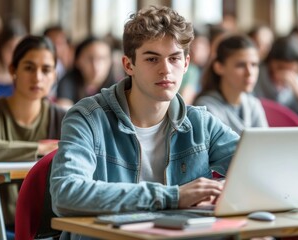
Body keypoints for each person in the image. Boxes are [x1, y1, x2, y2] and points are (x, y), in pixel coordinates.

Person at [50, 6, 239, 231]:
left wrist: (222, 189)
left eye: (174, 58)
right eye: (152, 59)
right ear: (129, 65)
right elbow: (66, 194)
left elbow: (260, 170)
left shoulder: (201, 123)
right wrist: (173, 197)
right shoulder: (87, 118)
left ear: (186, 64)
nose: (166, 70)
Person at [0, 35, 66, 226]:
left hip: (45, 228)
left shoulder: (62, 118)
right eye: (29, 68)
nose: (37, 77)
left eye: (46, 70)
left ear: (54, 75)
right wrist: (38, 149)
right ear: (13, 70)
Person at [194, 34, 267, 134]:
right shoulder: (205, 109)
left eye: (254, 65)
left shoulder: (253, 105)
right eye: (241, 65)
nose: (249, 72)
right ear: (219, 67)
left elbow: (266, 144)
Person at [254, 35, 298, 122]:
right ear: (270, 62)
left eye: (290, 70)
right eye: (280, 67)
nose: (284, 73)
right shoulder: (255, 77)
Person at [56, 36, 116, 108]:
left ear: (110, 62)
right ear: (77, 61)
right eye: (90, 59)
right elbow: (64, 111)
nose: (96, 66)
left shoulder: (118, 88)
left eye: (102, 58)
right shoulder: (67, 82)